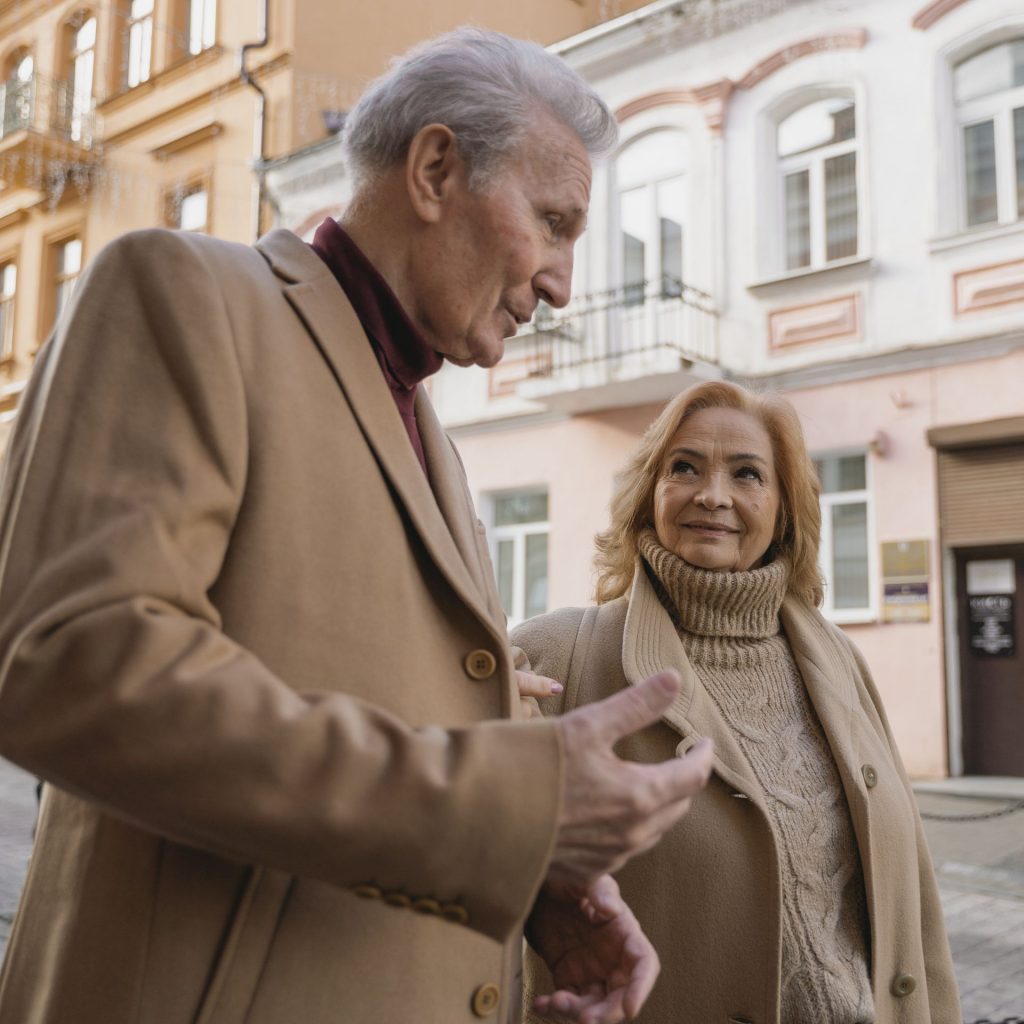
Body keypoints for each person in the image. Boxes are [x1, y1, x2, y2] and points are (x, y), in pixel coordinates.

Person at [0, 29, 714, 1024]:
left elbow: (388, 723)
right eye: (552, 223)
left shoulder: (428, 428)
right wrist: (510, 811)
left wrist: (540, 894)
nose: (561, 282)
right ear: (433, 169)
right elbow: (76, 665)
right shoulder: (185, 293)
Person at [513, 380, 960, 1024]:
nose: (713, 495)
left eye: (747, 473)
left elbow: (914, 904)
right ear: (649, 494)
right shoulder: (557, 656)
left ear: (782, 509)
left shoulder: (837, 660)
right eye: (684, 467)